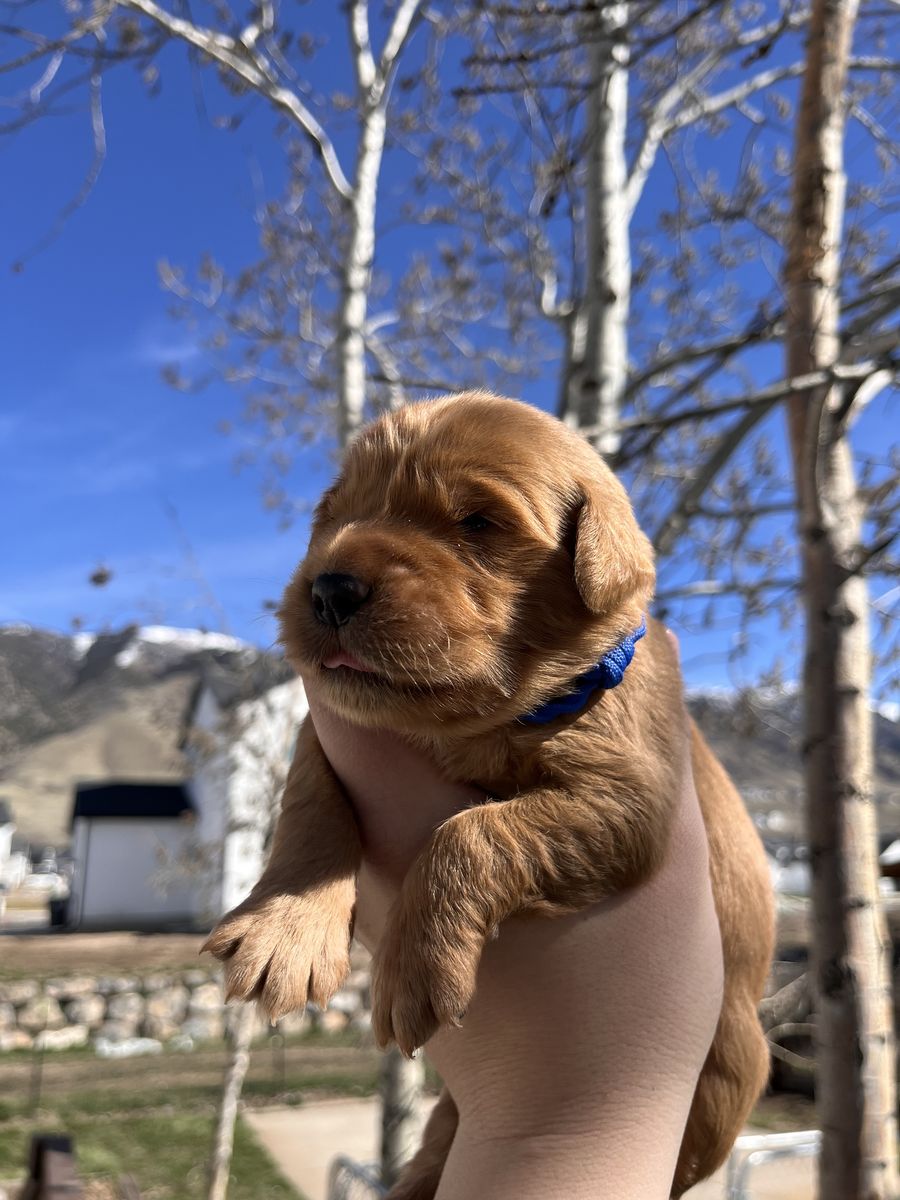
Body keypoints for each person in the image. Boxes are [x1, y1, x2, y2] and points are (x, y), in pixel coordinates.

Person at [304, 633, 723, 1200]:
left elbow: (620, 809)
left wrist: (550, 1114)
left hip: (700, 1069)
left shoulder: (604, 678)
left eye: (480, 535)